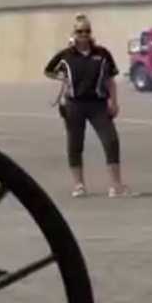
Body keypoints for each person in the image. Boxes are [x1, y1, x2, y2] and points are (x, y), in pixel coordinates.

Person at [44, 14, 131, 198]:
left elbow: (110, 80)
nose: (83, 35)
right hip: (74, 105)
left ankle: (116, 185)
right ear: (73, 33)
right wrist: (63, 79)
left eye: (87, 31)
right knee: (75, 144)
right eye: (79, 31)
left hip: (98, 104)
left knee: (111, 140)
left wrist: (113, 102)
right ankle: (79, 185)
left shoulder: (102, 54)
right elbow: (48, 70)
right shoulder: (66, 56)